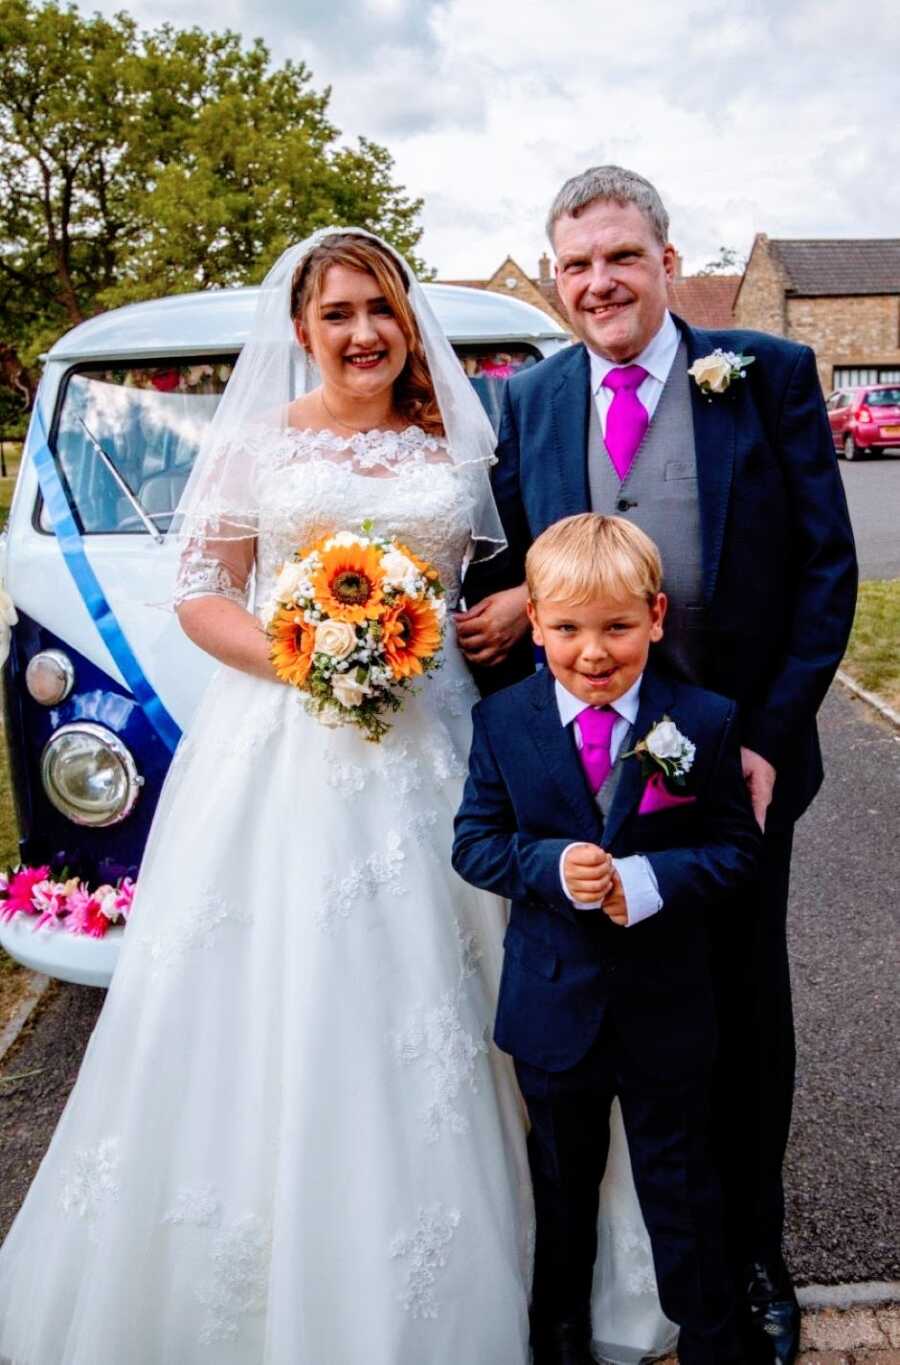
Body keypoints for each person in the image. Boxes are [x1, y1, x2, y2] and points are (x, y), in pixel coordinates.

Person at [0, 230, 535, 1363]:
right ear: (302, 330)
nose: (363, 333)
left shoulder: (452, 441)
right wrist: (308, 659)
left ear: (407, 324)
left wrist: (518, 606)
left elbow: (507, 567)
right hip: (288, 742)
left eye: (381, 310)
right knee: (278, 986)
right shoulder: (257, 446)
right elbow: (203, 593)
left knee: (454, 986)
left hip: (438, 740)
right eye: (338, 313)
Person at [456, 166, 859, 1363]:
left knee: (742, 1019)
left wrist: (770, 744)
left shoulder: (765, 376)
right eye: (576, 263)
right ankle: (601, 1274)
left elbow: (828, 573)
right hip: (582, 776)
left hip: (736, 773)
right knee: (590, 1020)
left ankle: (753, 1260)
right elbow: (504, 572)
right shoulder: (524, 401)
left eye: (621, 257)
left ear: (667, 261)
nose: (598, 283)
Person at [453, 513, 763, 1365]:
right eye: (566, 629)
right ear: (536, 621)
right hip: (554, 1008)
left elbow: (737, 848)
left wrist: (653, 882)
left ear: (657, 617)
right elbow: (474, 841)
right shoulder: (505, 722)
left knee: (683, 1189)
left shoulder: (701, 718)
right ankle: (560, 1341)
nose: (593, 652)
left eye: (618, 627)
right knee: (561, 1190)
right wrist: (550, 867)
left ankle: (714, 1341)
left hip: (667, 1008)